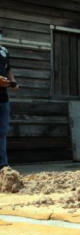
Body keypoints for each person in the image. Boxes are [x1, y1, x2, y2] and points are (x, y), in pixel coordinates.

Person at [0, 26, 18, 170]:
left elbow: (8, 69)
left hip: (3, 98)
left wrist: (13, 82)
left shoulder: (4, 51)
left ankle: (3, 166)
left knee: (2, 131)